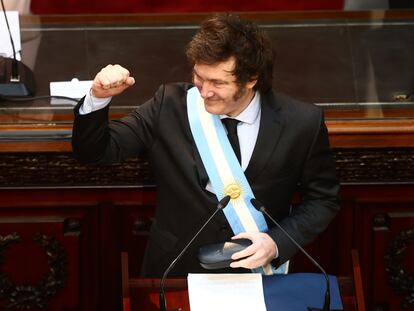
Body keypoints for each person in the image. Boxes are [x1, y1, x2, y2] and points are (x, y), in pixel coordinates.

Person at [72, 13, 340, 277]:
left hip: (260, 274)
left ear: (251, 79)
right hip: (176, 270)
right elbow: (96, 152)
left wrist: (277, 243)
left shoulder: (302, 123)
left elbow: (322, 200)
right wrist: (98, 98)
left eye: (218, 82)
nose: (204, 91)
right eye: (200, 77)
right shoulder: (169, 106)